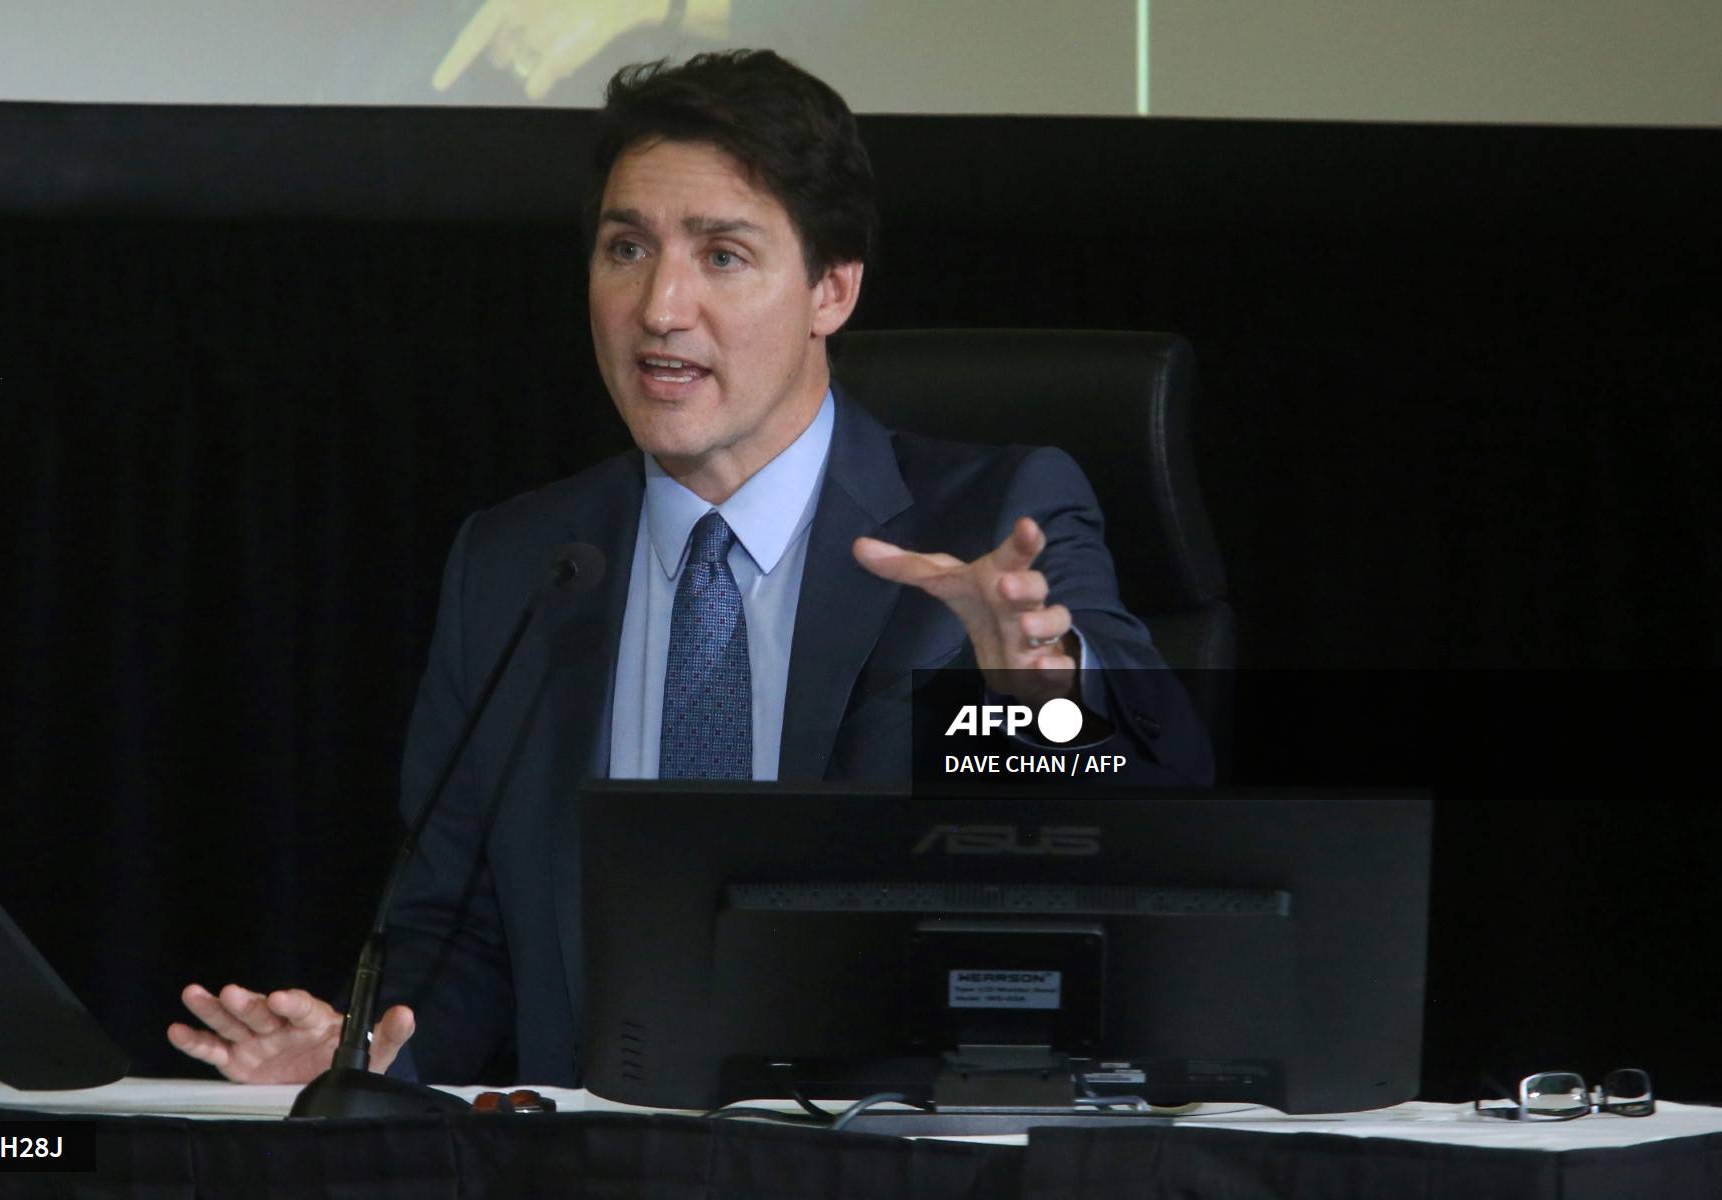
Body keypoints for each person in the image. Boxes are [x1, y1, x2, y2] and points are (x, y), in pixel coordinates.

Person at [169, 48, 1210, 1087]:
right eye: (627, 248)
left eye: (722, 256)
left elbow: (1175, 788)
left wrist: (1045, 699)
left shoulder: (986, 523)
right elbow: (458, 933)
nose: (660, 308)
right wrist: (364, 1051)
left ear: (831, 290)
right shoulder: (521, 563)